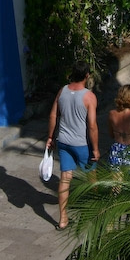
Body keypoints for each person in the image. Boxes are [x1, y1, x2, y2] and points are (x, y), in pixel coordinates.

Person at [46, 60, 100, 229]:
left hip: (63, 141)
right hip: (82, 144)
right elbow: (92, 125)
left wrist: (50, 137)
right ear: (87, 75)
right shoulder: (89, 96)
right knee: (91, 179)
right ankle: (94, 212)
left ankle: (63, 219)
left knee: (65, 179)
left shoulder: (62, 91)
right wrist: (95, 149)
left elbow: (53, 115)